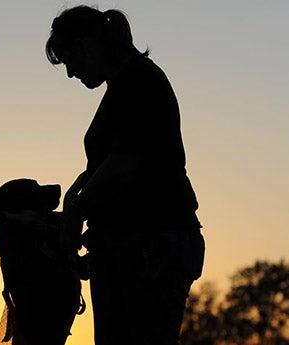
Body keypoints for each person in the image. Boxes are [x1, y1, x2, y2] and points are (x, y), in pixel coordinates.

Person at [46, 6, 206, 344]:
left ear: (87, 45)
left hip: (152, 246)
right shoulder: (122, 86)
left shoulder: (140, 81)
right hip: (125, 245)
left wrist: (76, 210)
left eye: (69, 60)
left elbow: (125, 163)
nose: (70, 73)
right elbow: (107, 162)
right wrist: (78, 193)